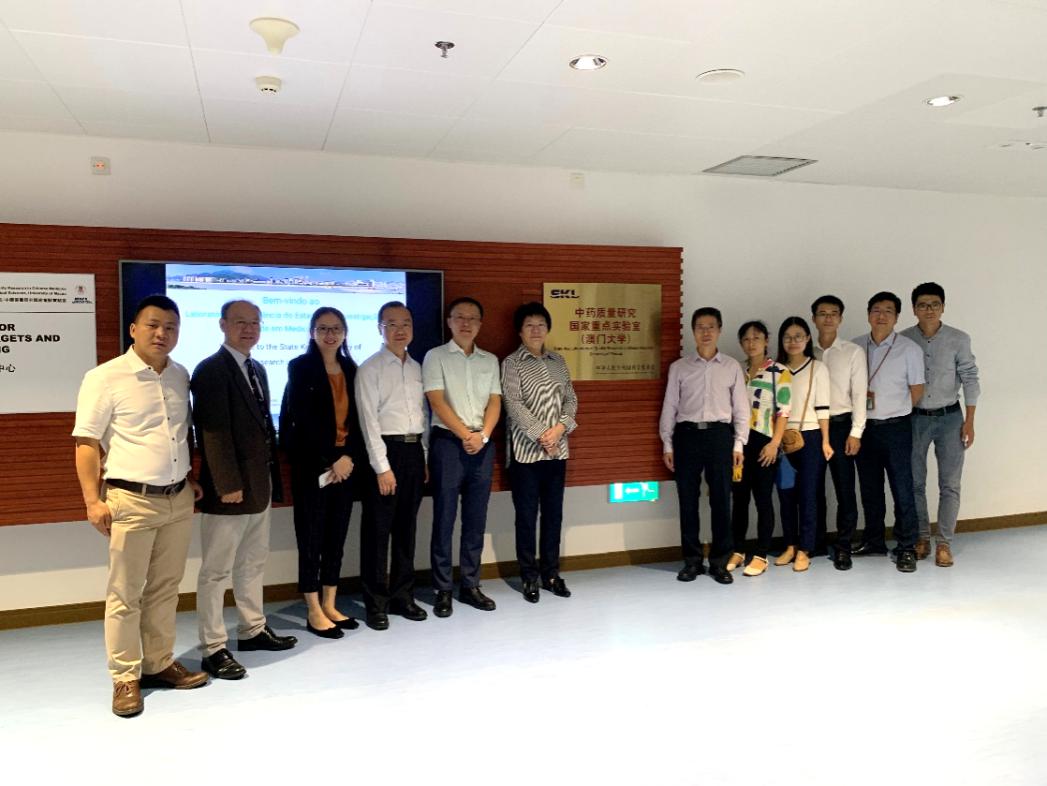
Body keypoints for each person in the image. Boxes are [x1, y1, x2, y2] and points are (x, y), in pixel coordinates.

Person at [72, 294, 208, 717]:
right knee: (125, 593)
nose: (161, 333)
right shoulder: (105, 377)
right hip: (130, 499)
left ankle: (158, 662)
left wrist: (189, 478)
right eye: (152, 325)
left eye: (170, 327)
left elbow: (178, 434)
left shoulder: (180, 375)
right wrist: (92, 500)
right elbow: (86, 442)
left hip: (177, 499)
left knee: (166, 589)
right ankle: (125, 677)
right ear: (133, 329)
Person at [191, 300, 297, 681]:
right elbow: (211, 433)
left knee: (253, 563)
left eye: (255, 322)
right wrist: (227, 484)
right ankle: (213, 648)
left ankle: (252, 629)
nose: (249, 329)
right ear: (222, 325)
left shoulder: (258, 369)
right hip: (229, 491)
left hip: (259, 486)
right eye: (240, 322)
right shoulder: (210, 370)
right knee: (215, 572)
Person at [280, 307, 365, 638]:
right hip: (313, 468)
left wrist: (348, 457)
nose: (330, 334)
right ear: (312, 332)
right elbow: (303, 422)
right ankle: (313, 609)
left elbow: (359, 420)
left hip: (345, 469)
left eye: (336, 328)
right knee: (311, 539)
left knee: (336, 538)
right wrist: (332, 459)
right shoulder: (300, 367)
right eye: (323, 328)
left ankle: (330, 603)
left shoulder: (352, 369)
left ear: (345, 333)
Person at [423, 296, 502, 617]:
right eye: (459, 317)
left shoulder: (490, 360)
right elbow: (436, 400)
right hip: (448, 444)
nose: (465, 323)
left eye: (472, 318)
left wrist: (483, 436)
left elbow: (495, 402)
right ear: (449, 322)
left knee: (475, 518)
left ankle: (470, 585)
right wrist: (465, 435)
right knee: (444, 517)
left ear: (480, 324)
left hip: (482, 444)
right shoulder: (435, 356)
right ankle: (442, 588)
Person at [659, 307, 748, 585]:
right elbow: (670, 406)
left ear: (719, 330)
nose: (706, 332)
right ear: (693, 331)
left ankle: (720, 562)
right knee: (687, 501)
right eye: (700, 327)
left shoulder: (731, 366)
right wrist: (667, 444)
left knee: (721, 500)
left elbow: (741, 409)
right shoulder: (679, 367)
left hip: (720, 436)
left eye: (711, 327)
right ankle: (692, 561)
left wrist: (739, 444)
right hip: (686, 436)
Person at [355, 301, 430, 631]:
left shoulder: (417, 367)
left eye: (406, 323)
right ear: (380, 329)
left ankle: (403, 596)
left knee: (406, 529)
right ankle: (375, 603)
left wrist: (423, 456)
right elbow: (368, 421)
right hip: (385, 453)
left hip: (413, 452)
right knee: (377, 532)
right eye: (392, 324)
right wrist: (382, 467)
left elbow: (423, 415)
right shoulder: (369, 368)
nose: (400, 330)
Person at [501, 302, 579, 602]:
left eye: (541, 324)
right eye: (529, 325)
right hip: (526, 454)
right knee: (526, 517)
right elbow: (513, 403)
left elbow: (571, 400)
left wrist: (558, 431)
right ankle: (528, 576)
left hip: (557, 452)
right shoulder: (511, 363)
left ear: (548, 329)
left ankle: (551, 574)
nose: (536, 330)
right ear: (520, 331)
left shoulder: (558, 361)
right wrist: (542, 435)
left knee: (553, 516)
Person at [901, 282, 980, 567]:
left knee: (950, 484)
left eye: (935, 304)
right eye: (923, 305)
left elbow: (970, 378)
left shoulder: (959, 339)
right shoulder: (904, 340)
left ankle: (944, 543)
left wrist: (969, 421)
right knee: (914, 482)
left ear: (943, 307)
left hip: (950, 418)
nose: (929, 310)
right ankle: (922, 537)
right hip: (915, 418)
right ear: (914, 309)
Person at [851, 292, 925, 573]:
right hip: (864, 429)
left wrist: (895, 410)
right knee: (870, 489)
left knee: (902, 488)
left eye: (888, 311)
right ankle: (874, 541)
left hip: (896, 428)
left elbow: (916, 391)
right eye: (876, 310)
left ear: (897, 317)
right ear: (868, 314)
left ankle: (906, 546)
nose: (881, 316)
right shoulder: (856, 346)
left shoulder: (909, 349)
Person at [728, 321, 792, 577]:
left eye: (756, 338)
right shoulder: (736, 370)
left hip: (765, 442)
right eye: (746, 339)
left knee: (763, 499)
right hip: (739, 444)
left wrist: (775, 443)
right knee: (739, 499)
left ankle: (761, 555)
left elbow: (784, 412)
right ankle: (737, 550)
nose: (751, 343)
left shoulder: (779, 372)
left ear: (766, 340)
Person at [810, 295, 867, 571]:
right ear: (814, 319)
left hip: (842, 426)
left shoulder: (853, 352)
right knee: (813, 488)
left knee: (845, 489)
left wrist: (856, 432)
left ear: (841, 318)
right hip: (811, 428)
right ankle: (816, 542)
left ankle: (844, 546)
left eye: (833, 313)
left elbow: (859, 395)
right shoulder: (805, 351)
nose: (828, 318)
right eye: (822, 313)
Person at [773, 317, 833, 572]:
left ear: (808, 338)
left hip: (810, 438)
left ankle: (806, 549)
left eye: (798, 336)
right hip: (781, 439)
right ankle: (790, 545)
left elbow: (823, 408)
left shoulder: (818, 368)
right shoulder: (775, 369)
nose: (793, 341)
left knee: (809, 494)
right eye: (788, 337)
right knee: (786, 494)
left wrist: (826, 440)